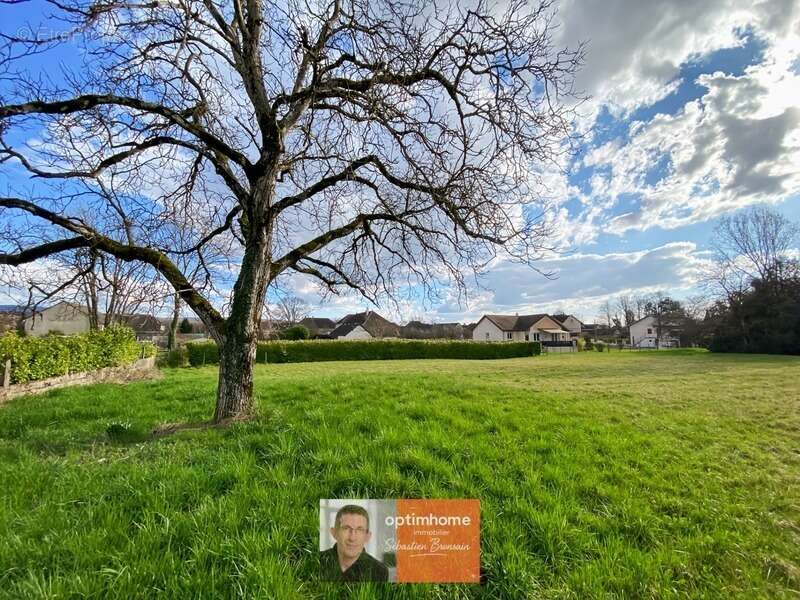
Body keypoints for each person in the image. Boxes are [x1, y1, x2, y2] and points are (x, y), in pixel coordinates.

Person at [320, 504, 389, 582]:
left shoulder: (379, 571)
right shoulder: (316, 561)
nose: (352, 538)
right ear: (334, 533)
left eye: (359, 530)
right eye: (346, 528)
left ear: (367, 536)